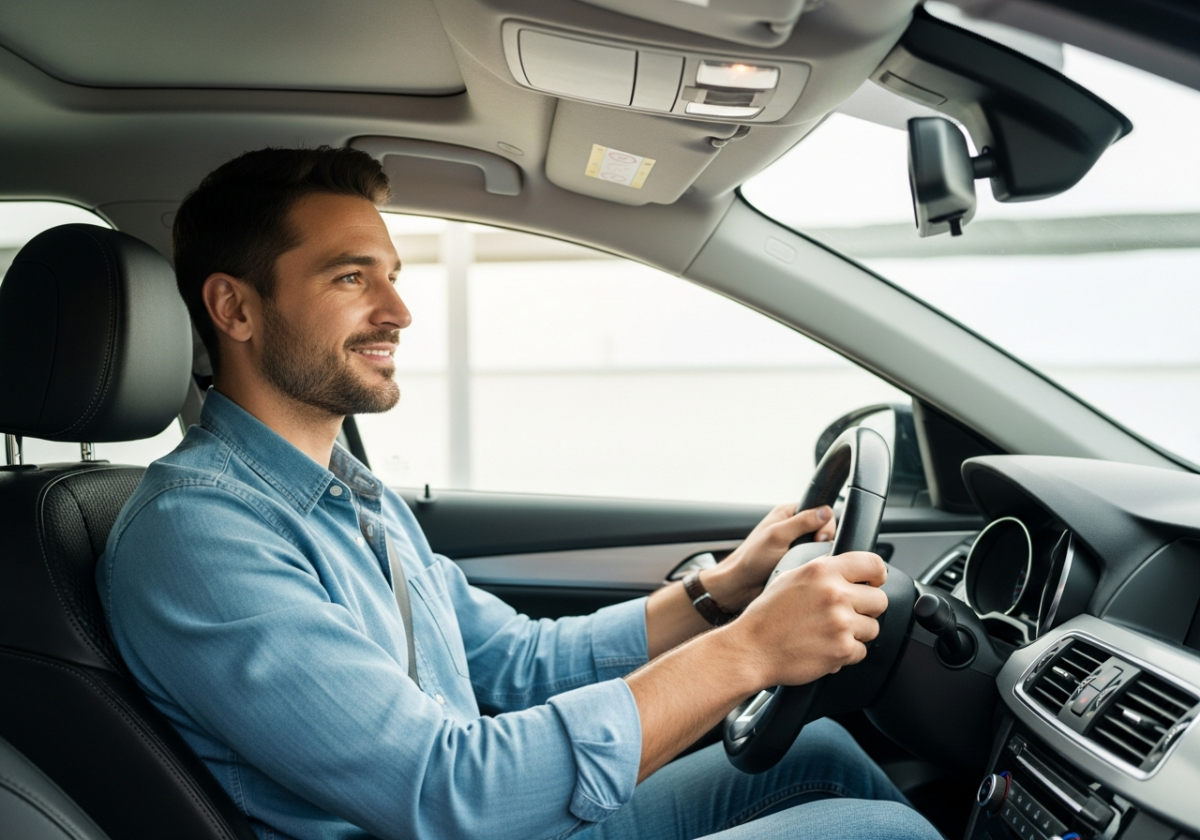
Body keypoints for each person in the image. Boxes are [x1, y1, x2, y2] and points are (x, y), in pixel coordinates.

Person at [97, 146, 941, 840]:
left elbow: (517, 661)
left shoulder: (353, 499)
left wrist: (720, 593)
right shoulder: (199, 534)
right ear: (235, 309)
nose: (398, 311)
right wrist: (750, 652)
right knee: (884, 836)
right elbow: (445, 793)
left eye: (391, 275)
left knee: (822, 755)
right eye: (351, 278)